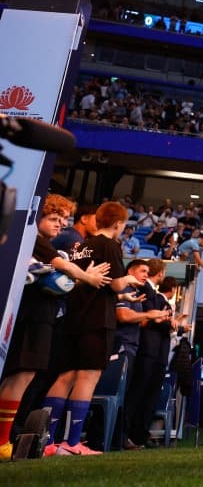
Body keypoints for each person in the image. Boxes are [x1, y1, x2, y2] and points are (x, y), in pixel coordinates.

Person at [0, 195, 111, 461]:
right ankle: (3, 440)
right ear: (38, 217)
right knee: (21, 375)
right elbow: (61, 266)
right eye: (53, 218)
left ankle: (6, 437)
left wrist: (81, 278)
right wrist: (87, 277)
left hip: (40, 316)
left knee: (22, 376)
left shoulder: (46, 245)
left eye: (63, 220)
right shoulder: (33, 241)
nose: (60, 224)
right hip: (32, 316)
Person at [40, 201, 142, 456]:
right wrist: (129, 280)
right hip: (97, 321)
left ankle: (48, 441)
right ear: (119, 224)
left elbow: (95, 285)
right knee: (88, 376)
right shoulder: (110, 245)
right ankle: (72, 442)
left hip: (75, 318)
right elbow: (116, 284)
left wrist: (121, 297)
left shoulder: (81, 247)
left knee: (65, 377)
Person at [125, 263, 177, 449]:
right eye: (142, 271)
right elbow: (150, 319)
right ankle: (126, 435)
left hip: (153, 352)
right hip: (145, 350)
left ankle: (137, 435)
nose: (145, 275)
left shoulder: (151, 291)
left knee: (148, 396)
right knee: (137, 394)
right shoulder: (145, 290)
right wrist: (165, 320)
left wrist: (166, 320)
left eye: (147, 272)